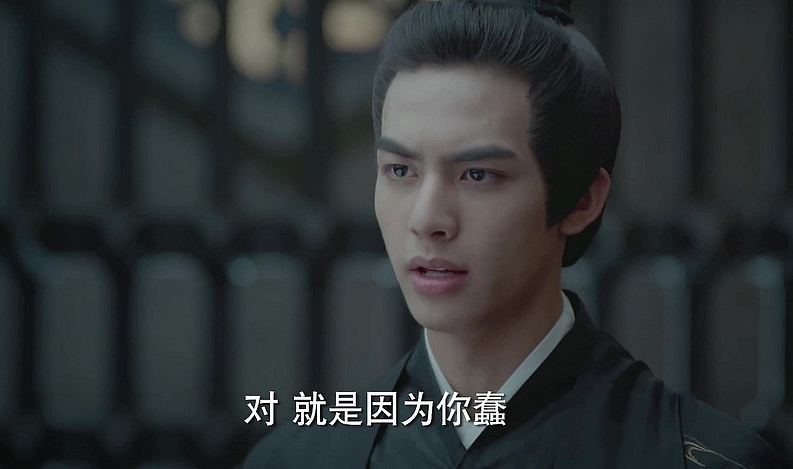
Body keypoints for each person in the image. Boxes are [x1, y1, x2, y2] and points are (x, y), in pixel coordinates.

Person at [244, 0, 780, 467]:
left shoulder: (695, 457)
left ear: (581, 200)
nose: (427, 219)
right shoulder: (300, 456)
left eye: (478, 175)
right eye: (401, 170)